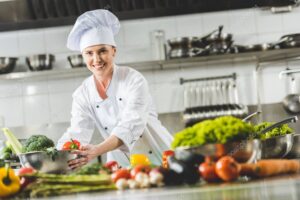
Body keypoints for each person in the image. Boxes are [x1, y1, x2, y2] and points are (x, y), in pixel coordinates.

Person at [57, 9, 173, 169]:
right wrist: (55, 154)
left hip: (162, 157)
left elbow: (132, 123)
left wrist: (97, 150)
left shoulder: (133, 79)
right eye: (89, 53)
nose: (96, 59)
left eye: (102, 51)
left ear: (114, 51)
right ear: (83, 57)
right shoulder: (82, 94)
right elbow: (78, 131)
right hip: (122, 165)